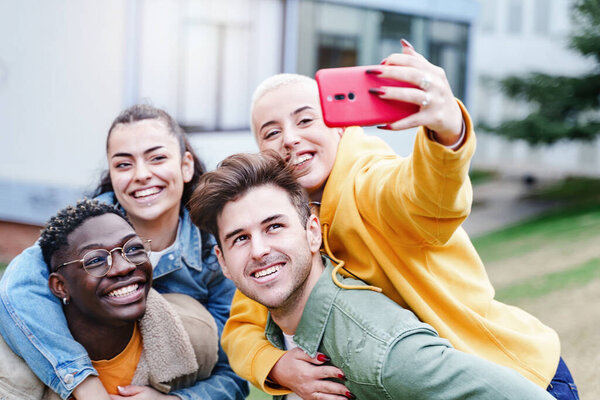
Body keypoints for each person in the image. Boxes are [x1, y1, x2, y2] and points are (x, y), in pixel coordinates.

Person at [220, 42, 578, 400]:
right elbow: (240, 327)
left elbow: (426, 196)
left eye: (305, 119)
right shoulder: (280, 227)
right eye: (271, 132)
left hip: (509, 377)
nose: (291, 139)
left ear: (340, 127)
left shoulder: (369, 180)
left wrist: (447, 135)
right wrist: (278, 366)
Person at [188, 152, 555, 400]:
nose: (258, 250)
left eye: (274, 227)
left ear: (313, 232)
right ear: (221, 261)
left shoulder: (382, 352)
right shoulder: (276, 317)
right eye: (240, 238)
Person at [0, 105, 248, 399]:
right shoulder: (81, 226)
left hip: (162, 377)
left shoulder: (213, 249)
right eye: (123, 164)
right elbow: (17, 289)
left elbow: (232, 369)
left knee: (190, 321)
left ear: (186, 166)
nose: (141, 174)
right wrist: (83, 382)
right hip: (85, 366)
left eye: (157, 158)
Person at [0, 199, 220, 399]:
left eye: (133, 248)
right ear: (60, 286)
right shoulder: (11, 370)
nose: (124, 267)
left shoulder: (195, 335)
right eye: (95, 260)